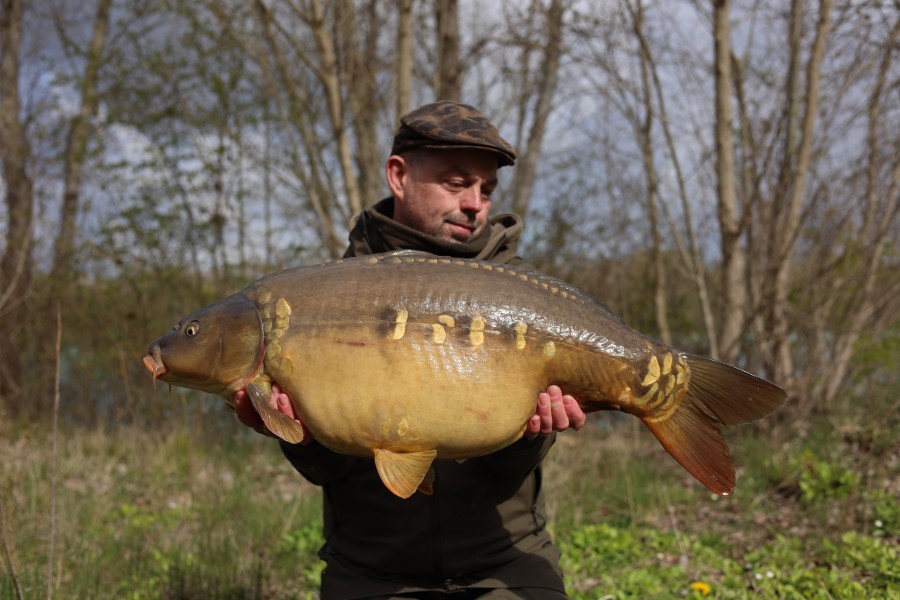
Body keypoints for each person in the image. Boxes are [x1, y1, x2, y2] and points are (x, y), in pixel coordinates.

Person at [233, 100, 586, 599]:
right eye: (456, 183)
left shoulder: (524, 293)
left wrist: (533, 435)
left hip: (504, 562)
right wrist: (298, 435)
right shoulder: (327, 296)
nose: (475, 204)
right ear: (398, 176)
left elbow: (506, 476)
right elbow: (327, 472)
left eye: (486, 189)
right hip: (370, 572)